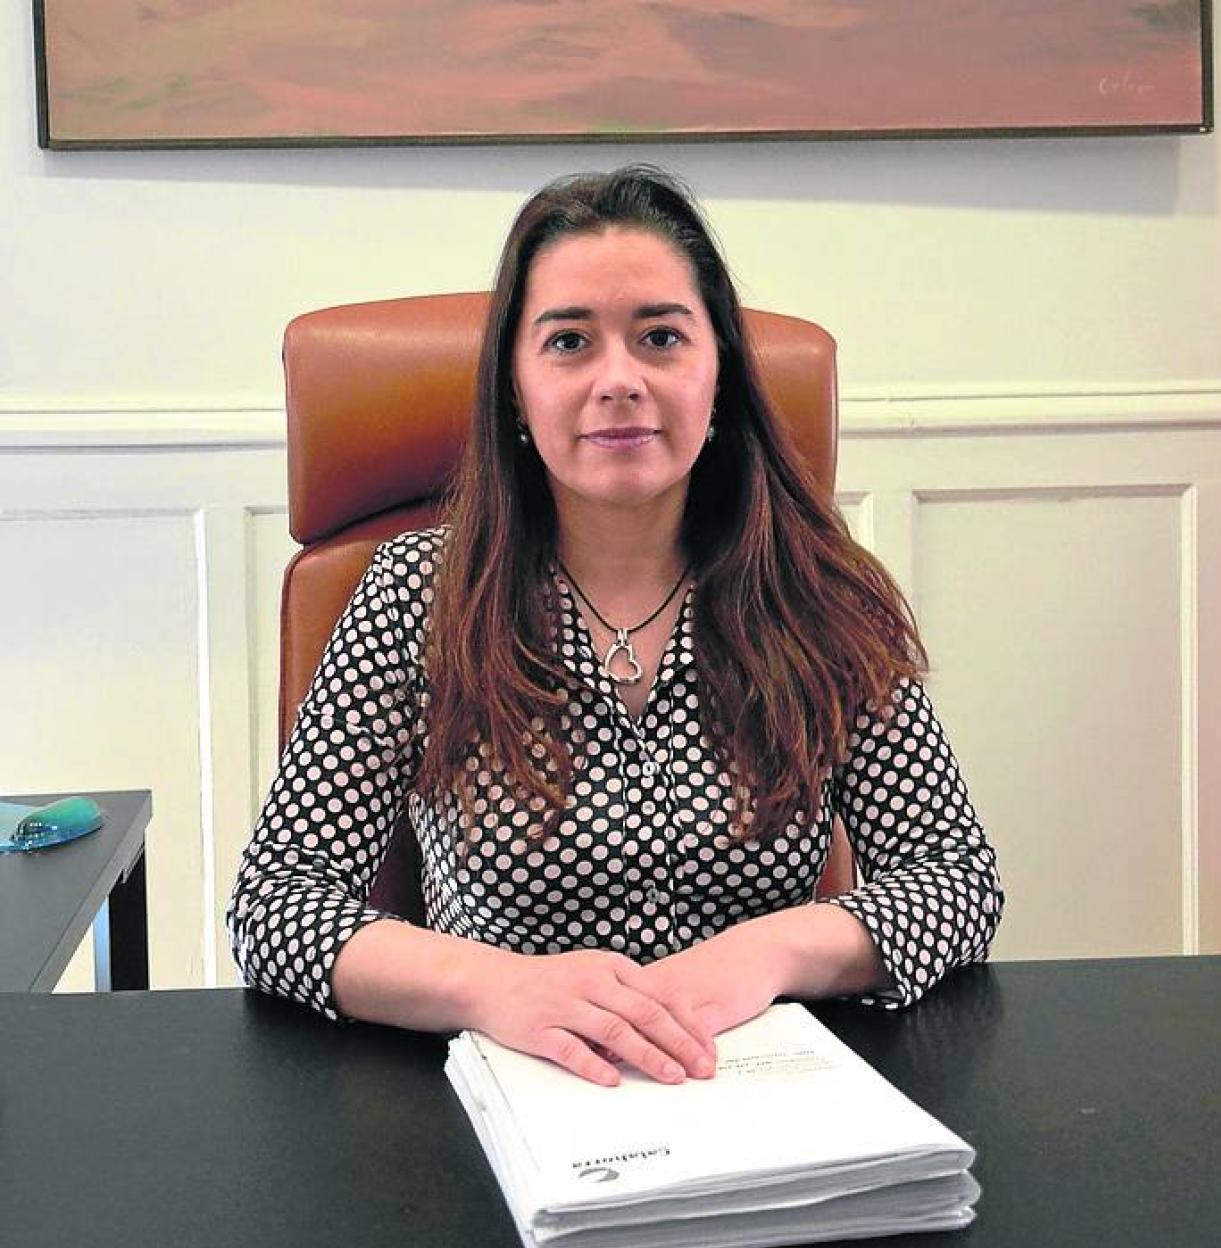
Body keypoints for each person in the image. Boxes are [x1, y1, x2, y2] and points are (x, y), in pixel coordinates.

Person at [227, 166, 1003, 1089]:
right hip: (515, 1088)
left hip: (757, 1086)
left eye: (661, 337)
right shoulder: (418, 596)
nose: (620, 381)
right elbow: (277, 903)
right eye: (568, 342)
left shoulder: (819, 592)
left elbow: (955, 878)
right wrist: (497, 987)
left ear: (720, 373)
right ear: (514, 389)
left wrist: (763, 955)